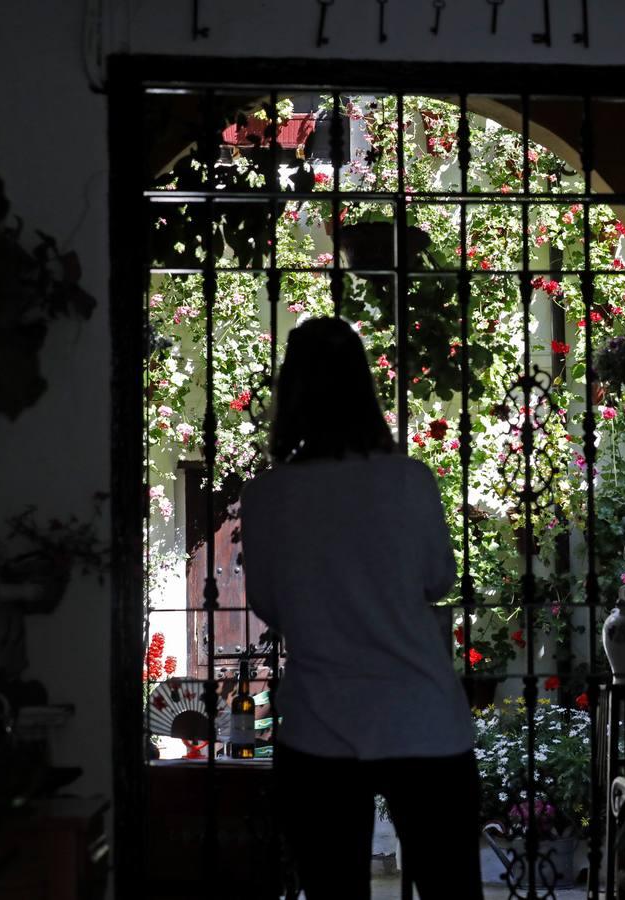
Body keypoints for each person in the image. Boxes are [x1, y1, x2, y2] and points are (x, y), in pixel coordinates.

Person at [240, 316, 481, 900]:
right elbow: (439, 579)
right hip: (422, 717)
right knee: (452, 890)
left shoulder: (267, 495)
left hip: (320, 722)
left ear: (289, 393)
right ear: (363, 387)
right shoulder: (408, 482)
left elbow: (268, 604)